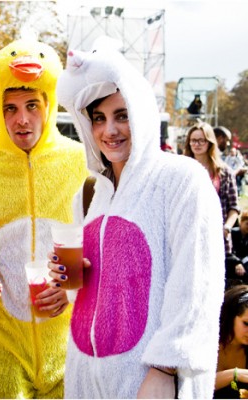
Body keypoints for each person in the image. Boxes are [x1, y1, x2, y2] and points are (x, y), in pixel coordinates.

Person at [53, 39, 225, 398]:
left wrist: (166, 368)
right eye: (98, 118)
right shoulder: (87, 197)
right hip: (86, 379)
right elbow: (94, 301)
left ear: (142, 112)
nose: (109, 131)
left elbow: (198, 283)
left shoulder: (181, 181)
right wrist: (70, 281)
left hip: (151, 382)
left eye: (122, 115)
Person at [0, 39, 88, 398]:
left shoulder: (81, 163)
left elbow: (99, 238)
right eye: (10, 108)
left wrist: (72, 290)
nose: (21, 119)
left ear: (49, 105)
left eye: (31, 105)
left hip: (69, 345)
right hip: (2, 347)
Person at [183, 122, 240, 259]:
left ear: (210, 142)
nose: (197, 144)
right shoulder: (182, 170)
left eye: (201, 140)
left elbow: (234, 207)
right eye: (193, 140)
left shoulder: (225, 172)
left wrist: (226, 228)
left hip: (216, 237)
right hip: (188, 237)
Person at [214, 285, 248, 398]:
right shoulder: (206, 344)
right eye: (246, 324)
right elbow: (190, 385)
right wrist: (235, 374)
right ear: (230, 317)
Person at [227, 210, 248, 288]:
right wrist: (237, 262)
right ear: (241, 222)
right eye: (247, 224)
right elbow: (228, 252)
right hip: (231, 263)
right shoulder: (232, 233)